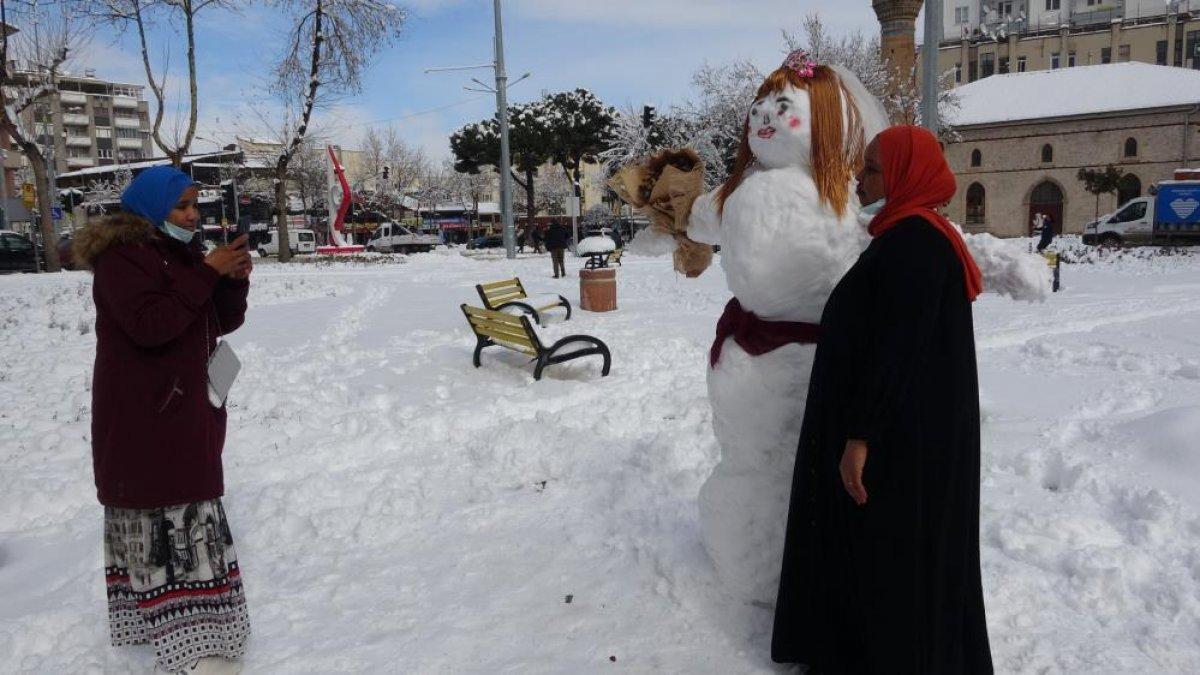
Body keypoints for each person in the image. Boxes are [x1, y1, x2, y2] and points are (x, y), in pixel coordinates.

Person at [772, 126, 994, 674]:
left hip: (900, 441)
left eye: (871, 167)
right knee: (888, 552)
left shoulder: (915, 245)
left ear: (902, 174)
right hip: (906, 432)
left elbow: (897, 352)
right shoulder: (908, 235)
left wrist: (860, 436)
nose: (858, 175)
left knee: (892, 554)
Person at [74, 166, 253, 674]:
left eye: (196, 204)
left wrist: (231, 282)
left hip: (183, 409)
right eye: (182, 207)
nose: (193, 215)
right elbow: (152, 326)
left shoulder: (177, 253)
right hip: (145, 419)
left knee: (190, 515)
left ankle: (202, 636)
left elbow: (215, 320)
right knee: (162, 519)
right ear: (152, 209)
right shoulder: (122, 260)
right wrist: (206, 273)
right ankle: (184, 645)